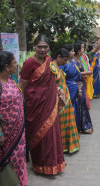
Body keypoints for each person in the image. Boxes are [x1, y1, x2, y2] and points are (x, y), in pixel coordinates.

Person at [19, 35, 65, 175]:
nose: (43, 50)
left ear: (49, 48)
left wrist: (57, 90)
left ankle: (53, 164)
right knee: (38, 135)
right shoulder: (29, 63)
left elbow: (52, 80)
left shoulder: (49, 61)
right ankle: (40, 165)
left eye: (45, 47)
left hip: (50, 105)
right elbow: (22, 84)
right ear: (34, 47)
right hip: (35, 106)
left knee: (51, 134)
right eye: (40, 47)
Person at [0, 51, 27, 185]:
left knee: (18, 160)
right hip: (5, 135)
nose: (17, 65)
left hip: (19, 133)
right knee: (6, 164)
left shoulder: (12, 79)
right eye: (15, 63)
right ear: (6, 66)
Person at [52, 48, 80, 153]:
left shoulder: (58, 67)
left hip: (66, 99)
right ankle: (62, 146)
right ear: (58, 57)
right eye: (64, 60)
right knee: (61, 124)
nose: (65, 62)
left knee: (68, 123)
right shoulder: (52, 68)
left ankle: (69, 146)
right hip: (60, 101)